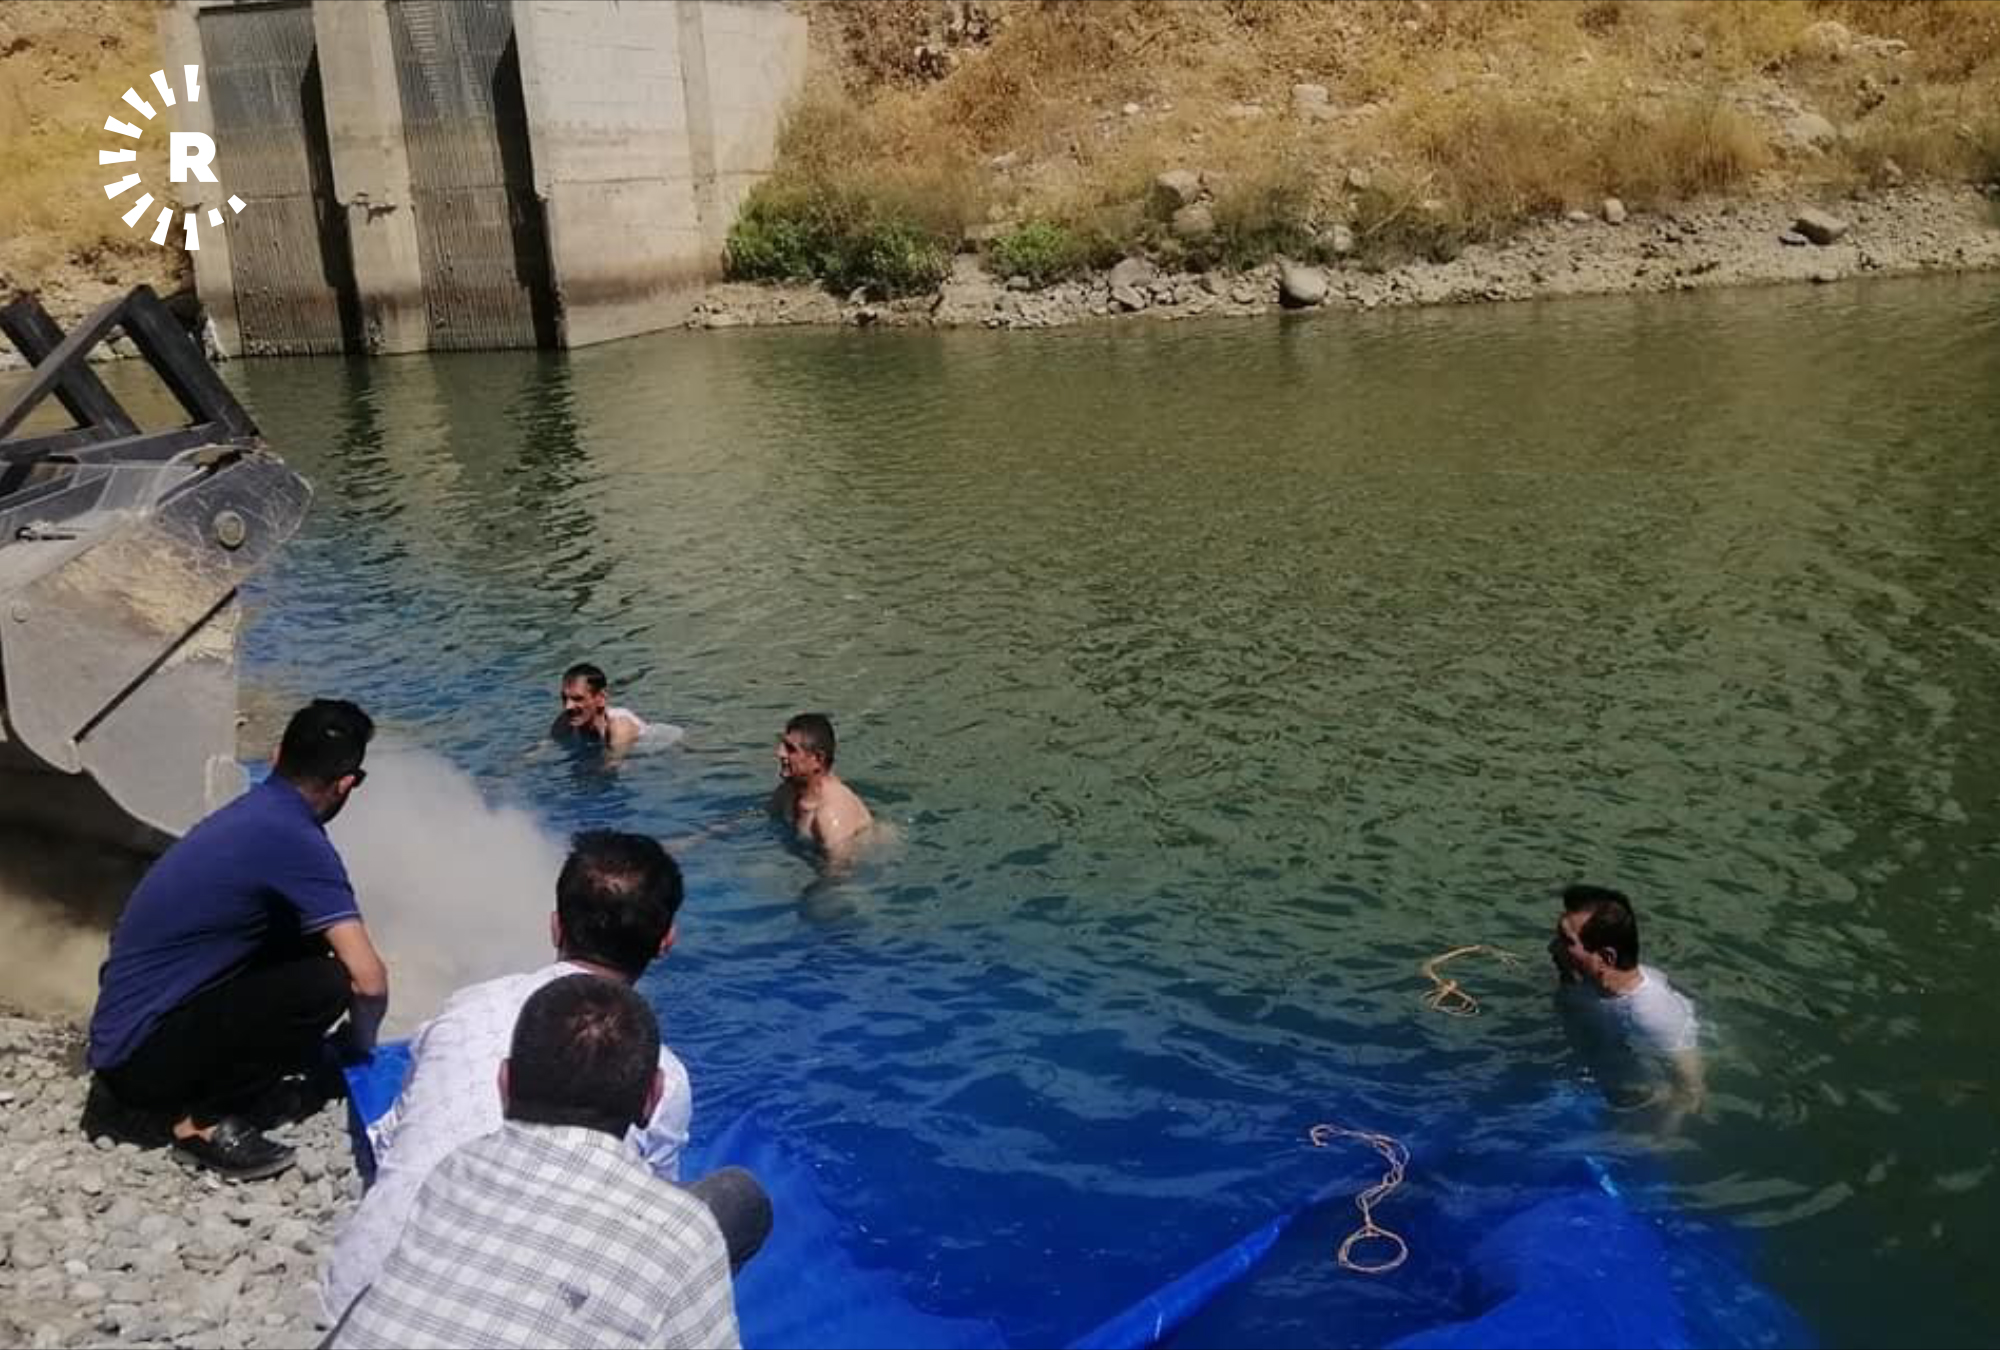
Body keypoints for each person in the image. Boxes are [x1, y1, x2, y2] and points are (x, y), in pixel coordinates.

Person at [324, 831, 741, 1319]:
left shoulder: (468, 1009)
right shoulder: (658, 1072)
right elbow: (653, 1215)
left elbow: (396, 1133)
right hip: (519, 1318)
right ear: (666, 941)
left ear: (555, 925)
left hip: (356, 1302)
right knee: (738, 1202)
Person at [329, 974, 750, 1350]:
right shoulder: (683, 1231)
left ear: (503, 1083)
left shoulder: (454, 1170)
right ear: (653, 1099)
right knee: (742, 1201)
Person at [86, 699, 389, 1180]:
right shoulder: (295, 840)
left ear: (276, 756)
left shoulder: (250, 815)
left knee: (303, 935)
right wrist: (360, 1048)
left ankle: (245, 1074)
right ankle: (203, 1124)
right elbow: (369, 982)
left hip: (122, 1037)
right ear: (346, 784)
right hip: (139, 1064)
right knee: (327, 982)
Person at [1549, 884, 1706, 1132]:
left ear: (1606, 958)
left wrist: (1658, 1140)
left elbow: (1691, 1092)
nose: (1552, 947)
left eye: (1566, 941)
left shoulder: (1652, 1013)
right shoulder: (1586, 980)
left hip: (1637, 1099)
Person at [770, 712, 874, 860]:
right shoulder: (787, 792)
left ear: (818, 759)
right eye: (782, 745)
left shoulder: (831, 815)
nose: (779, 753)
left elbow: (842, 871)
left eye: (790, 749)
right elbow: (762, 817)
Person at [550, 662, 648, 754]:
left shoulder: (620, 726)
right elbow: (546, 747)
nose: (568, 706)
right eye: (564, 698)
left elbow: (614, 763)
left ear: (601, 698)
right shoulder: (564, 722)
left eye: (578, 699)